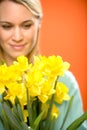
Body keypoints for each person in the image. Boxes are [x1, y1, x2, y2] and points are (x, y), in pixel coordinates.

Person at [0, 0, 87, 130]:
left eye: (26, 25)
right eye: (6, 26)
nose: (17, 37)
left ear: (39, 22)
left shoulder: (64, 82)